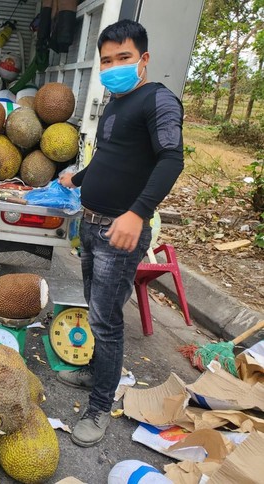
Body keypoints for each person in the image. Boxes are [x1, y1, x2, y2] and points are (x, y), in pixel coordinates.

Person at [57, 19, 184, 447]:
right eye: (107, 60)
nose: (114, 67)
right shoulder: (115, 101)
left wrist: (137, 213)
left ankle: (99, 408)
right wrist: (79, 178)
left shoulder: (158, 101)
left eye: (123, 58)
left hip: (119, 231)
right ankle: (96, 370)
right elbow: (112, 155)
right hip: (91, 223)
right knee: (96, 308)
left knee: (106, 321)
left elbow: (171, 159)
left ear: (143, 59)